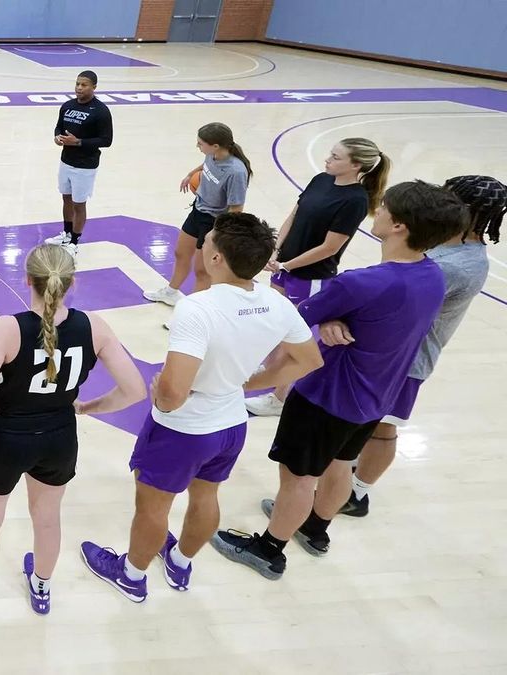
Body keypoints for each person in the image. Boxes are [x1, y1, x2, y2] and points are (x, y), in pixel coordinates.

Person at [212, 181, 470, 579]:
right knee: (341, 464)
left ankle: (269, 549)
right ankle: (315, 529)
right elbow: (381, 319)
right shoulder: (433, 276)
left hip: (326, 395)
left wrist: (330, 315)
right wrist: (338, 317)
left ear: (399, 226)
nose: (377, 213)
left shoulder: (361, 282)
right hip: (377, 396)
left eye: (383, 208)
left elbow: (293, 320)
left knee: (298, 478)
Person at [80, 214, 321, 602]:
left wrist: (162, 395)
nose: (203, 244)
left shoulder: (198, 308)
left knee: (152, 508)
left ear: (217, 259)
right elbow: (308, 360)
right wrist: (241, 383)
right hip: (230, 424)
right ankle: (180, 562)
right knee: (206, 497)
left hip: (183, 430)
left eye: (208, 241)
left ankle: (131, 575)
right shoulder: (276, 303)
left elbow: (174, 394)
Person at [0, 244, 146, 627]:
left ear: (27, 280)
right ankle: (41, 587)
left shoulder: (6, 328)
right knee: (48, 519)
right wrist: (88, 407)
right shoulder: (94, 327)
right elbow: (135, 390)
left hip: (5, 438)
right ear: (72, 283)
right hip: (58, 437)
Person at [337, 175, 504, 517]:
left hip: (406, 361)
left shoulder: (457, 265)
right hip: (395, 354)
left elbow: (396, 302)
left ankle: (357, 493)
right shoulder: (449, 245)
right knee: (364, 426)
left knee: (382, 429)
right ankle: (343, 479)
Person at [244, 138, 390, 416]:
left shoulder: (355, 201)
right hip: (284, 266)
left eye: (335, 157)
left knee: (294, 334)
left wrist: (286, 265)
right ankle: (272, 370)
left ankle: (279, 398)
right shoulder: (321, 179)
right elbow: (294, 215)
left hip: (310, 275)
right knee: (274, 322)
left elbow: (330, 247)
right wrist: (275, 250)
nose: (328, 160)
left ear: (356, 165)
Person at [144, 123, 252, 304]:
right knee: (180, 253)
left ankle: (193, 313)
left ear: (216, 145)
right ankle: (171, 293)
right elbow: (205, 164)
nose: (197, 146)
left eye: (201, 143)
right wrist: (190, 174)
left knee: (202, 271)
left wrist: (218, 233)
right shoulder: (213, 155)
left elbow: (236, 209)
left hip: (214, 222)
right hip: (198, 211)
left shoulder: (236, 171)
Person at [44, 71, 113, 257]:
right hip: (66, 161)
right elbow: (59, 126)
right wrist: (57, 137)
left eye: (84, 85)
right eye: (77, 84)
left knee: (78, 204)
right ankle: (66, 234)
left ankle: (74, 242)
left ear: (94, 87)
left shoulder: (101, 111)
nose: (79, 88)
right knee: (66, 198)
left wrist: (79, 142)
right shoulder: (67, 106)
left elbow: (107, 140)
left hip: (85, 165)